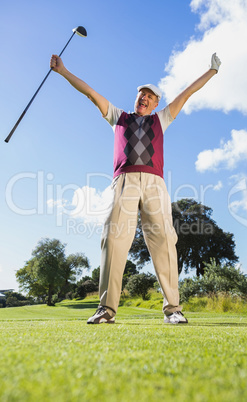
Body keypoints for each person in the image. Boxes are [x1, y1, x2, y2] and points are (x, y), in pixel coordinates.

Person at [50, 52, 221, 325]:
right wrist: (64, 72)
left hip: (154, 183)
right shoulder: (118, 117)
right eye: (141, 94)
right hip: (125, 181)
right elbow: (91, 94)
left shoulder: (161, 119)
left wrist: (211, 72)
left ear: (156, 103)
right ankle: (106, 309)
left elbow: (187, 93)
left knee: (165, 241)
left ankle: (173, 309)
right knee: (114, 240)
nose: (144, 98)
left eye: (149, 96)